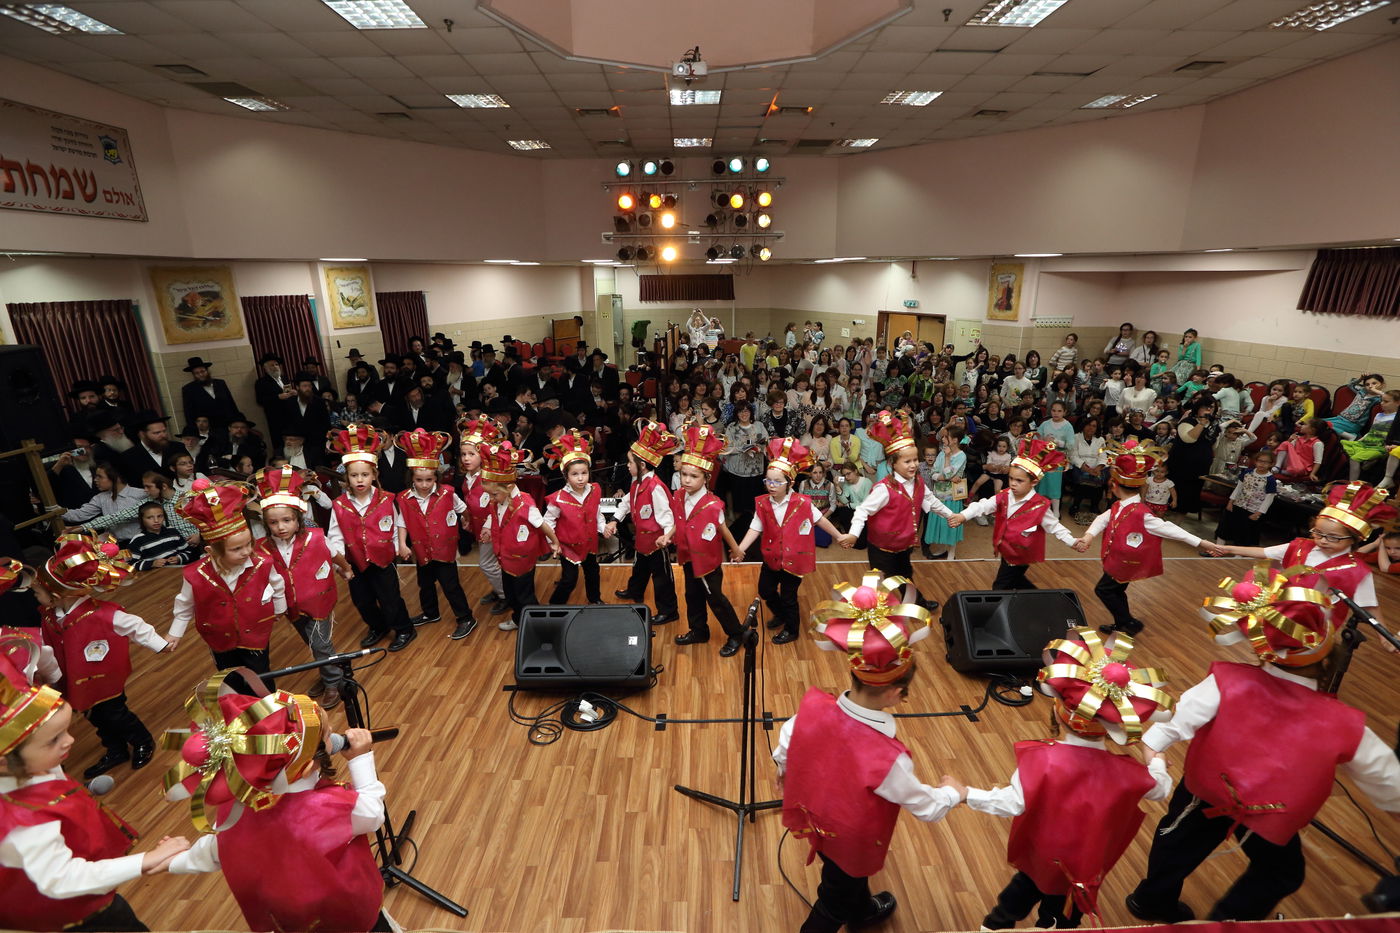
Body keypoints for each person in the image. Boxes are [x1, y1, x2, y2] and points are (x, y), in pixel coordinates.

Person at [1126, 569, 1400, 923]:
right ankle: (1227, 922)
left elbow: (1171, 727)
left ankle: (1150, 900)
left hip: (1206, 793)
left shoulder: (1227, 681)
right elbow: (1391, 787)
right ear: (1328, 654)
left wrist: (1155, 756)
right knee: (1281, 872)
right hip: (1272, 811)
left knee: (1177, 843)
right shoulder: (1347, 725)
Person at [774, 572, 963, 933]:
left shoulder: (811, 708)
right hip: (852, 838)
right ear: (895, 693)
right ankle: (843, 913)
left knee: (843, 877)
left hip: (818, 818)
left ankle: (860, 912)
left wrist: (783, 768)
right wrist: (955, 792)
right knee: (833, 900)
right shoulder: (889, 758)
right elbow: (926, 806)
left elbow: (785, 742)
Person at [964, 627, 1173, 928]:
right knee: (1062, 920)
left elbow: (1011, 803)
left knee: (1014, 901)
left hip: (1038, 860)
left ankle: (993, 928)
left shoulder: (1041, 760)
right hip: (1082, 872)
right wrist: (1156, 762)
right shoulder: (1130, 774)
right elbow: (1160, 789)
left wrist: (966, 794)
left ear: (1060, 710)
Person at [163, 671, 391, 932]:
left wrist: (171, 860)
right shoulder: (326, 808)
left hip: (292, 919)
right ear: (306, 768)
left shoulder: (232, 813)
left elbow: (213, 851)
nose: (335, 737)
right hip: (348, 913)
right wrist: (361, 758)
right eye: (328, 735)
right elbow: (373, 813)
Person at [0, 660, 190, 932]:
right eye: (54, 740)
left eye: (65, 731)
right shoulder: (24, 822)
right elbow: (62, 879)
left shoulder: (27, 768)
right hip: (78, 919)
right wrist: (145, 861)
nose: (70, 741)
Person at [33, 536, 167, 781]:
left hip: (105, 679)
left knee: (116, 713)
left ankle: (142, 741)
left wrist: (160, 644)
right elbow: (45, 642)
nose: (35, 597)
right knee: (95, 717)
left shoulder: (102, 613)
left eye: (37, 592)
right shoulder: (50, 616)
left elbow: (134, 625)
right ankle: (115, 749)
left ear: (58, 594)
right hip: (74, 680)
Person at [1075, 441, 1217, 635]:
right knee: (1116, 591)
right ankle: (1123, 624)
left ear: (1114, 485)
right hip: (1117, 558)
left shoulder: (1142, 513)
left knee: (1104, 590)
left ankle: (1130, 623)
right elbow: (1102, 519)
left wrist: (1201, 542)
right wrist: (1088, 536)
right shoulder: (1119, 505)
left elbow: (1170, 529)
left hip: (1125, 562)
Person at [1220, 480, 1392, 632]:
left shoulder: (1357, 570)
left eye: (1333, 537)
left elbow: (1370, 606)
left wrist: (1385, 637)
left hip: (1310, 629)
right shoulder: (1301, 546)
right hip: (1275, 615)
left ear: (1355, 539)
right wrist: (1227, 549)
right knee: (1254, 582)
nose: (1322, 540)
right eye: (1318, 533)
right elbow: (1263, 552)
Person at [169, 481, 288, 685]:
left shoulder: (263, 563)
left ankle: (265, 703)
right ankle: (237, 702)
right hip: (218, 638)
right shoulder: (195, 574)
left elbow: (277, 584)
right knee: (230, 677)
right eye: (236, 549)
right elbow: (185, 604)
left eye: (249, 544)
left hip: (256, 633)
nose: (246, 552)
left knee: (260, 676)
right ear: (211, 551)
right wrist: (175, 632)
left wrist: (279, 609)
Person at [734, 439, 851, 645]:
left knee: (789, 597)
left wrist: (839, 536)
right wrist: (740, 549)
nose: (771, 485)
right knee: (765, 590)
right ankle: (780, 613)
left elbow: (820, 520)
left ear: (790, 483)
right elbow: (755, 527)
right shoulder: (762, 503)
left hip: (794, 560)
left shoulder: (803, 503)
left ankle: (791, 629)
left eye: (777, 482)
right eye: (768, 481)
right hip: (771, 557)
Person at [254, 467, 353, 708]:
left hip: (319, 601)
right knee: (312, 643)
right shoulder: (262, 547)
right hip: (291, 605)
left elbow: (334, 554)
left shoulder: (315, 537)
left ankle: (334, 682)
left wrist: (346, 568)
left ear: (298, 519)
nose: (281, 527)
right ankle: (328, 670)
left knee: (321, 643)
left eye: (286, 520)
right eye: (274, 522)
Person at [844, 410, 953, 608]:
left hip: (903, 543)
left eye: (915, 460)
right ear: (893, 464)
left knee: (904, 575)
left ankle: (915, 602)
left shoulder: (918, 482)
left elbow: (930, 500)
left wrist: (951, 515)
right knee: (879, 581)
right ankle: (869, 612)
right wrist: (853, 534)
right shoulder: (884, 489)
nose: (913, 465)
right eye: (907, 461)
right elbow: (862, 511)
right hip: (881, 546)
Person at [325, 425, 416, 653]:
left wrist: (398, 546)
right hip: (355, 561)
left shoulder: (386, 499)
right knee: (362, 601)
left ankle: (404, 629)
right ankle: (378, 626)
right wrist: (340, 563)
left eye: (364, 475)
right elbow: (335, 534)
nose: (359, 480)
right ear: (347, 477)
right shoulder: (339, 505)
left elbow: (395, 524)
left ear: (374, 475)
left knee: (390, 598)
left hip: (383, 559)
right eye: (354, 475)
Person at [949, 438, 1078, 590]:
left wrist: (1072, 541)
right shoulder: (1005, 495)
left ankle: (1027, 600)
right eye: (1011, 478)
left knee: (1000, 587)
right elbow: (983, 505)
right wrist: (963, 515)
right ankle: (1041, 598)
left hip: (1021, 554)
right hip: (1006, 549)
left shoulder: (1040, 505)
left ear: (1034, 482)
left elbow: (1054, 526)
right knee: (1017, 582)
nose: (1013, 483)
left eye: (1019, 480)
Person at [667, 423, 746, 655]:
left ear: (706, 478)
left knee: (716, 599)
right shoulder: (679, 496)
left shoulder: (713, 505)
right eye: (684, 474)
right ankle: (699, 630)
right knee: (692, 595)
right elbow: (679, 521)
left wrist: (736, 550)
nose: (687, 480)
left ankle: (737, 633)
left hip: (708, 563)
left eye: (694, 476)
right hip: (687, 556)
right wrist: (668, 535)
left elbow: (723, 529)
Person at [393, 430, 476, 640]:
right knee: (425, 583)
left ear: (436, 478)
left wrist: (466, 520)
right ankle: (431, 613)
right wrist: (402, 544)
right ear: (411, 478)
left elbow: (462, 508)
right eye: (419, 480)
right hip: (421, 548)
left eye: (429, 480)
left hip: (445, 548)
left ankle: (466, 618)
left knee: (450, 585)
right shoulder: (404, 498)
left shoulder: (447, 492)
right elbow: (402, 521)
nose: (424, 484)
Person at [479, 439, 560, 632]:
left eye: (494, 495)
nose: (491, 499)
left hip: (523, 559)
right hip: (505, 557)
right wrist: (488, 528)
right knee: (511, 594)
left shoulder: (525, 504)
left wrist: (555, 543)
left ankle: (537, 624)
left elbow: (542, 525)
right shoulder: (498, 500)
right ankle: (518, 619)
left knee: (525, 596)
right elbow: (495, 516)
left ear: (508, 488)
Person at [611, 421, 682, 627]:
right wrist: (615, 519)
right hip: (642, 537)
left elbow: (666, 515)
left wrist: (667, 536)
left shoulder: (655, 487)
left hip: (657, 541)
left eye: (630, 463)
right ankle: (635, 591)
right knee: (639, 567)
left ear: (642, 466)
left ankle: (669, 611)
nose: (627, 466)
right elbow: (627, 502)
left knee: (662, 578)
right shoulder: (636, 482)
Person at [543, 430, 608, 607]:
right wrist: (553, 542)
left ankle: (594, 599)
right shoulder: (558, 498)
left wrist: (603, 527)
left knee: (593, 572)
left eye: (584, 473)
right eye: (575, 474)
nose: (580, 478)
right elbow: (547, 522)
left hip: (590, 542)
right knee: (569, 579)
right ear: (566, 476)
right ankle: (555, 605)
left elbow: (597, 512)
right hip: (568, 546)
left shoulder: (594, 490)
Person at [458, 417, 510, 617]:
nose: (466, 458)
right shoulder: (468, 477)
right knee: (495, 562)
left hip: (494, 529)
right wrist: (467, 519)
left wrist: (489, 525)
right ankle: (500, 589)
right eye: (463, 454)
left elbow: (497, 505)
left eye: (471, 454)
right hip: (480, 529)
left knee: (487, 563)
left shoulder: (489, 478)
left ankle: (506, 595)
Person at [61, 463, 145, 542]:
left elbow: (118, 517)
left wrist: (83, 527)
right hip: (115, 546)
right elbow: (80, 514)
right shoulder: (100, 498)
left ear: (116, 477)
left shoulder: (141, 494)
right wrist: (59, 512)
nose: (95, 480)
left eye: (100, 477)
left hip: (141, 542)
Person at [1214, 450, 1278, 548]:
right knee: (1225, 526)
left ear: (1271, 464)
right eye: (1260, 461)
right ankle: (1217, 548)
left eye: (1266, 462)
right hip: (1237, 504)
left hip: (1252, 510)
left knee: (1244, 532)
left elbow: (1269, 498)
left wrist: (1259, 513)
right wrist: (1231, 501)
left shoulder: (1270, 480)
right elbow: (1238, 488)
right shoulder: (1247, 472)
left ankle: (1239, 554)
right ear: (1255, 461)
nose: (1262, 464)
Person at [924, 424, 966, 560]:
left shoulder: (961, 456)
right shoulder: (942, 453)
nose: (942, 439)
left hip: (951, 497)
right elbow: (933, 472)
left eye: (946, 437)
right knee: (940, 524)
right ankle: (942, 548)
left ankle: (951, 552)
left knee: (951, 522)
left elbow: (948, 473)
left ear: (954, 440)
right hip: (938, 495)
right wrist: (944, 477)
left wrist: (947, 459)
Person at [127, 501, 197, 570]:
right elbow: (130, 565)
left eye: (160, 516)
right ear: (141, 519)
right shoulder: (138, 540)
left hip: (177, 571)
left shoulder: (172, 532)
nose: (156, 520)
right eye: (150, 517)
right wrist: (152, 564)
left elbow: (188, 552)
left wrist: (179, 558)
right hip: (155, 575)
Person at [179, 356, 242, 429]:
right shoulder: (188, 389)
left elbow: (231, 403)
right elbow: (189, 413)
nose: (201, 375)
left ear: (207, 371)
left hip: (228, 424)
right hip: (209, 428)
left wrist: (238, 420)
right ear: (193, 375)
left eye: (202, 371)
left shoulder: (220, 383)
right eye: (197, 373)